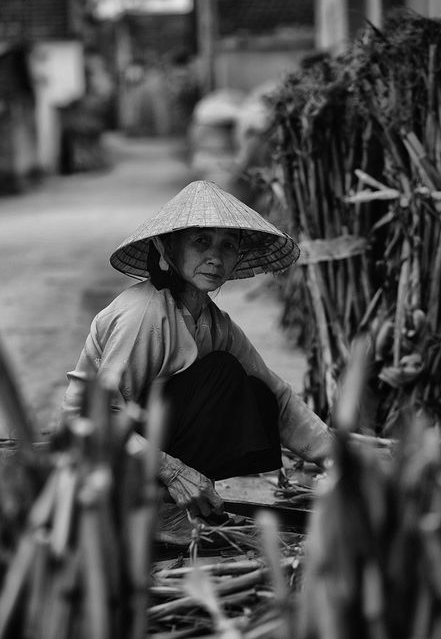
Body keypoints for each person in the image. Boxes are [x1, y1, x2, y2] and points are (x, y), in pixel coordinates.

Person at [63, 180, 333, 544]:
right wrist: (173, 472)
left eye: (227, 246)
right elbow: (98, 415)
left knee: (254, 392)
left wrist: (336, 457)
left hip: (145, 451)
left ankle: (168, 504)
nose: (215, 257)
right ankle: (148, 509)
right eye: (201, 241)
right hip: (97, 462)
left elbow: (278, 396)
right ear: (167, 246)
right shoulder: (144, 314)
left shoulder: (213, 321)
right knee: (221, 373)